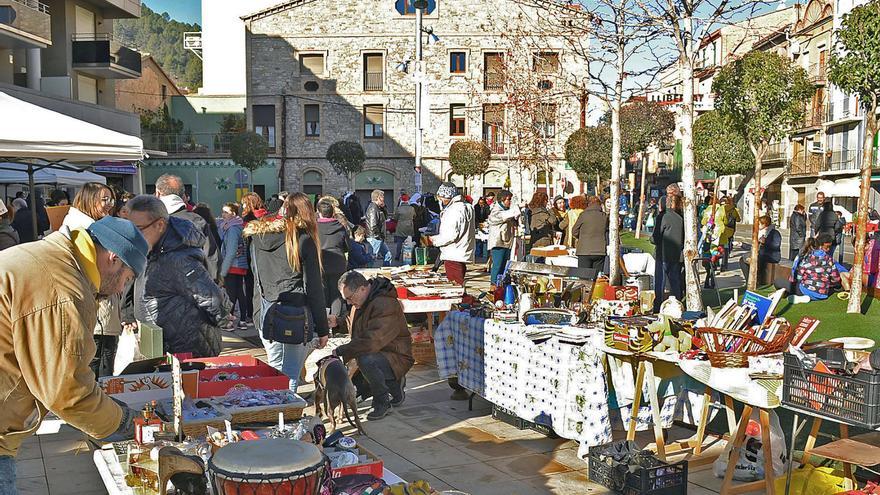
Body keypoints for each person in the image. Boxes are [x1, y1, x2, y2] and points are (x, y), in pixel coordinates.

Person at [0, 216, 149, 491]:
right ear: (113, 258)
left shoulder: (55, 258)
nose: (119, 290)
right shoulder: (64, 287)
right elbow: (66, 390)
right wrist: (122, 421)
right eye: (126, 280)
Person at [244, 193, 330, 393]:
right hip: (294, 316)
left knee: (275, 370)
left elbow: (253, 277)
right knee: (289, 374)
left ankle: (278, 416)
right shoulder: (304, 240)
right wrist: (323, 329)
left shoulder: (257, 237)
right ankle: (286, 418)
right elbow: (314, 289)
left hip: (265, 311)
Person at [128, 195, 231, 357]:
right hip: (164, 345)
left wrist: (222, 318)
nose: (133, 235)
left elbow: (213, 299)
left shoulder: (177, 258)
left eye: (138, 229)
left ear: (160, 225)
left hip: (185, 349)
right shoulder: (153, 250)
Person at [61, 183, 123, 377]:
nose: (109, 205)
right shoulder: (83, 230)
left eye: (111, 200)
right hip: (95, 311)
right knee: (98, 367)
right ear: (89, 200)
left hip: (103, 311)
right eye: (104, 199)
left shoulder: (94, 226)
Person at [332, 271, 414, 420]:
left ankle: (382, 402)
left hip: (396, 355)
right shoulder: (362, 300)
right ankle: (394, 385)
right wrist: (338, 322)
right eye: (346, 299)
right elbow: (358, 323)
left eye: (349, 298)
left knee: (365, 360)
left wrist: (341, 351)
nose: (349, 303)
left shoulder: (385, 303)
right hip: (380, 352)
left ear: (362, 288)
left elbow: (372, 341)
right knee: (360, 381)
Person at [154, 174, 221, 282]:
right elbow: (212, 258)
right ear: (183, 195)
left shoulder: (151, 222)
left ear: (158, 193)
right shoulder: (197, 221)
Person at [429, 183, 475, 286]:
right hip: (461, 251)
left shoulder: (453, 210)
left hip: (453, 253)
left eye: (441, 198)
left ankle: (462, 301)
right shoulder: (467, 207)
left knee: (455, 287)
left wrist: (435, 240)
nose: (440, 201)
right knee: (458, 283)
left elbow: (451, 234)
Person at [317, 199, 350, 325]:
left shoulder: (314, 227)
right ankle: (334, 321)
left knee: (323, 292)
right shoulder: (340, 227)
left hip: (320, 263)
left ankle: (324, 323)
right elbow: (347, 246)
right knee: (336, 293)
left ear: (319, 213)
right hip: (338, 263)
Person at [219, 203, 251, 330]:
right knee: (239, 293)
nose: (223, 214)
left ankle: (230, 321)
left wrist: (223, 271)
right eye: (223, 211)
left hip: (233, 265)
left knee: (231, 294)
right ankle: (243, 320)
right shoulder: (238, 226)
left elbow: (231, 251)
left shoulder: (232, 229)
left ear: (233, 213)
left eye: (226, 212)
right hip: (241, 264)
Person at [655, 193, 685, 311]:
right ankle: (677, 305)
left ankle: (658, 306)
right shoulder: (680, 218)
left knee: (660, 282)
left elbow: (656, 237)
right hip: (677, 255)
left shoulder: (663, 217)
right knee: (675, 282)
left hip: (663, 254)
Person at [486, 190, 521, 288]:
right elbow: (501, 217)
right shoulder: (496, 209)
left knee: (504, 266)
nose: (510, 202)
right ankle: (493, 287)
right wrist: (517, 208)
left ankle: (501, 286)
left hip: (506, 242)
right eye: (508, 199)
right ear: (502, 199)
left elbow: (511, 218)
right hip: (498, 242)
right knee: (497, 265)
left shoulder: (506, 210)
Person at [793, 234, 841, 302]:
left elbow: (798, 277)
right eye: (827, 247)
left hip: (805, 290)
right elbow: (836, 278)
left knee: (779, 282)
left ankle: (803, 296)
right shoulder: (830, 259)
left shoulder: (807, 257)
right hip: (823, 294)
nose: (829, 249)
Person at [565, 195, 608, 271]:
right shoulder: (604, 216)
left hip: (584, 250)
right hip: (600, 250)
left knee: (584, 277)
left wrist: (582, 238)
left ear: (588, 204)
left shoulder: (583, 215)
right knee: (597, 277)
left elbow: (574, 231)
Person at [365, 189, 393, 266]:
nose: (384, 198)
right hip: (375, 237)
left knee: (388, 255)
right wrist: (378, 236)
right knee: (372, 257)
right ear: (378, 197)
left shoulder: (378, 208)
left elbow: (386, 216)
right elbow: (373, 225)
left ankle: (385, 273)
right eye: (382, 197)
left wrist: (384, 207)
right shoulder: (373, 208)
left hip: (378, 237)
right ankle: (368, 275)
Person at [528, 191, 558, 256]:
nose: (547, 202)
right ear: (542, 201)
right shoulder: (541, 212)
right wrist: (551, 210)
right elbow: (553, 221)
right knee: (544, 262)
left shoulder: (531, 211)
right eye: (546, 200)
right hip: (544, 241)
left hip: (534, 240)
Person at [757, 215, 782, 283]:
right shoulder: (761, 233)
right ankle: (753, 279)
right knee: (745, 259)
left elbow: (776, 245)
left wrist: (765, 242)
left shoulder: (774, 233)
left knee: (758, 258)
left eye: (759, 224)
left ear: (764, 224)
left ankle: (759, 280)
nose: (758, 225)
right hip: (763, 254)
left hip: (771, 256)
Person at [392, 195, 417, 261]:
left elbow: (395, 218)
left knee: (399, 242)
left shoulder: (398, 208)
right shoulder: (412, 208)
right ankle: (409, 256)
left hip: (401, 227)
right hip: (409, 227)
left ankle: (397, 256)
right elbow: (414, 216)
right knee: (409, 242)